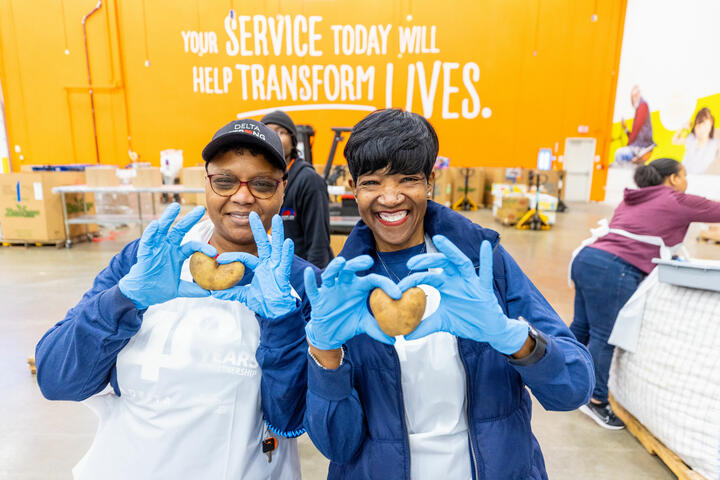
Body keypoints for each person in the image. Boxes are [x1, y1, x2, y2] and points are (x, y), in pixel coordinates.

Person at [301, 109, 594, 480]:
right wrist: (326, 353)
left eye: (408, 179)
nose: (390, 198)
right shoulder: (343, 290)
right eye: (372, 182)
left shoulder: (482, 263)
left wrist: (512, 337)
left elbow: (573, 388)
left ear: (430, 182)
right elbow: (337, 446)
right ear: (353, 187)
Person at [35, 119, 318, 479]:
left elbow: (289, 420)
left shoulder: (299, 283)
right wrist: (126, 299)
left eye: (262, 184)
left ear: (282, 190)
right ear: (207, 183)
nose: (243, 196)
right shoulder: (147, 259)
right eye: (225, 180)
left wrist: (281, 322)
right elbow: (57, 378)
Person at [570, 158, 720, 429]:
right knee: (604, 336)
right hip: (615, 269)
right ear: (673, 178)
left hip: (587, 259)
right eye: (684, 176)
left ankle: (566, 382)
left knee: (582, 328)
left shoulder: (632, 199)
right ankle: (594, 400)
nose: (686, 182)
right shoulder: (675, 199)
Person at [262, 110, 334, 268]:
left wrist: (314, 281)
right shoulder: (257, 181)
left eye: (281, 132)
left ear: (293, 141)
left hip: (300, 274)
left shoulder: (309, 180)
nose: (274, 137)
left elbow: (318, 242)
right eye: (268, 132)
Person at [615, 85, 655, 167]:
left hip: (642, 147)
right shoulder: (640, 107)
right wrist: (626, 129)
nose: (633, 98)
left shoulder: (642, 106)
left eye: (635, 95)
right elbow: (634, 134)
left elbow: (636, 130)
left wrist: (628, 144)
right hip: (639, 146)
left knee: (619, 154)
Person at [672, 107, 720, 175]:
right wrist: (682, 127)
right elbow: (675, 140)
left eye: (705, 126)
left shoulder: (714, 144)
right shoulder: (691, 139)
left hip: (699, 178)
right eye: (698, 126)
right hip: (682, 174)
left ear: (710, 126)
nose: (701, 130)